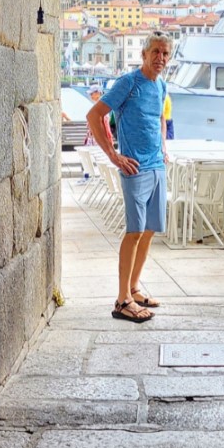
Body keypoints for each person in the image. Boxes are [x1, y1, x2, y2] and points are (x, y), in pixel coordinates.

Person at [86, 31, 173, 323]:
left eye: (165, 53)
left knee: (149, 230)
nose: (160, 58)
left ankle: (134, 288)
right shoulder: (129, 82)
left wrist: (163, 145)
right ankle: (122, 300)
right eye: (156, 52)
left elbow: (160, 117)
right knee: (134, 231)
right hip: (134, 168)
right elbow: (94, 115)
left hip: (156, 165)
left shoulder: (161, 85)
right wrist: (114, 156)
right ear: (144, 55)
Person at [81, 86, 112, 179]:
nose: (90, 95)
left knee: (93, 156)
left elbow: (105, 123)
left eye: (92, 93)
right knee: (88, 155)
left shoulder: (100, 105)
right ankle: (90, 175)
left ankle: (89, 175)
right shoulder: (100, 105)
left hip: (97, 136)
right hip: (94, 136)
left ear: (98, 93)